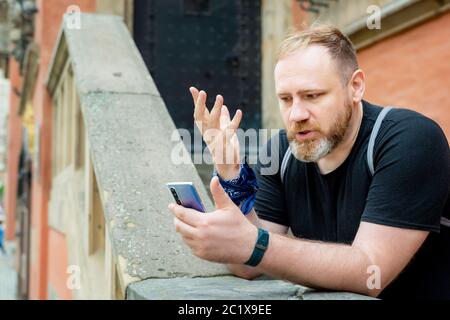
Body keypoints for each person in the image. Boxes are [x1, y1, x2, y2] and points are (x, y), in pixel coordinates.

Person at [168, 24, 450, 299]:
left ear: (355, 87)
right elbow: (246, 265)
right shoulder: (280, 151)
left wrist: (254, 244)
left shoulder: (409, 139)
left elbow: (370, 272)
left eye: (312, 96)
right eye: (286, 99)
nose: (296, 114)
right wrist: (230, 171)